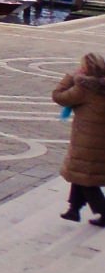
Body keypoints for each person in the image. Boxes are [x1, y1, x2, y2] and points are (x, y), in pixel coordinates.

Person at [52, 54, 105, 225]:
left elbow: (59, 96)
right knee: (81, 173)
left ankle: (103, 212)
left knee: (85, 177)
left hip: (87, 140)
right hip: (99, 139)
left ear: (86, 68)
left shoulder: (85, 88)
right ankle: (74, 209)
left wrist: (70, 78)